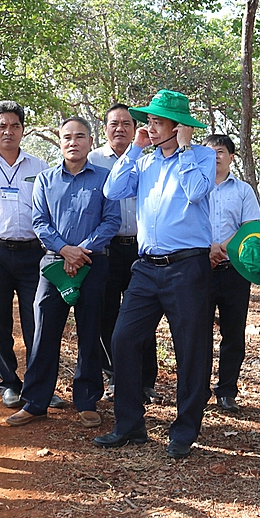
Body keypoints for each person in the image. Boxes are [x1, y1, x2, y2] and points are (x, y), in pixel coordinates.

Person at [96, 90, 216, 459]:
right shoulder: (144, 162)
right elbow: (112, 189)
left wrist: (183, 151)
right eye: (148, 120)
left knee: (191, 349)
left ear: (178, 127)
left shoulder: (203, 157)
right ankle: (129, 424)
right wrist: (135, 148)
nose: (149, 125)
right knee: (123, 339)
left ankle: (185, 429)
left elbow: (197, 192)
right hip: (146, 268)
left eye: (157, 121)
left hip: (188, 267)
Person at [7, 117, 120, 429]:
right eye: (67, 137)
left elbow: (111, 221)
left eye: (80, 136)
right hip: (53, 265)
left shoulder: (105, 177)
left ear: (90, 140)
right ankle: (35, 402)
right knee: (44, 332)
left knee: (90, 331)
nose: (73, 142)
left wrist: (81, 250)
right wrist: (65, 250)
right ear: (59, 141)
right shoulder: (44, 179)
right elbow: (40, 221)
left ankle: (86, 400)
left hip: (93, 265)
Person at [0, 100, 50, 409]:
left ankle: (37, 386)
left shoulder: (39, 166)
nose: (8, 131)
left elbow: (49, 207)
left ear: (23, 130)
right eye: (2, 126)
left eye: (14, 126)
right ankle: (9, 383)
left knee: (38, 321)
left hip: (33, 253)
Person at [89, 104, 158, 404]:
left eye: (126, 124)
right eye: (114, 123)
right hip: (106, 249)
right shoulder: (92, 161)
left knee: (145, 314)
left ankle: (145, 380)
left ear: (135, 128)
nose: (120, 128)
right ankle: (114, 375)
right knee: (107, 315)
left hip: (140, 251)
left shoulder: (148, 159)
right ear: (104, 128)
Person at [204, 134, 260, 412]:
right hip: (199, 269)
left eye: (220, 151)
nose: (215, 156)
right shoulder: (194, 187)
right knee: (197, 331)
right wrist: (207, 250)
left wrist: (221, 249)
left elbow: (250, 227)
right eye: (209, 151)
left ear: (231, 157)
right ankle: (198, 387)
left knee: (233, 332)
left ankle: (227, 390)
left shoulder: (242, 190)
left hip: (233, 271)